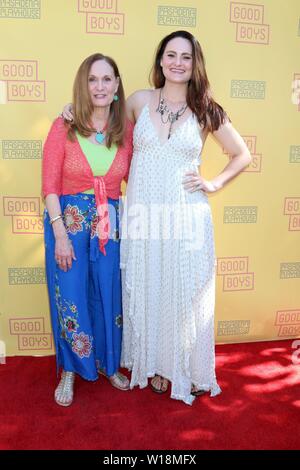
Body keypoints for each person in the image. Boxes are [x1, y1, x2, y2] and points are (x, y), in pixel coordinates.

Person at [62, 31, 251, 405]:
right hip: (143, 214)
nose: (177, 62)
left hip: (185, 216)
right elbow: (103, 121)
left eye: (185, 56)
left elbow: (242, 154)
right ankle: (157, 365)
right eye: (171, 55)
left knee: (185, 292)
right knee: (150, 284)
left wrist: (213, 184)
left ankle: (188, 369)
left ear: (195, 64)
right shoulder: (138, 102)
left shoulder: (207, 110)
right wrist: (70, 112)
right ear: (160, 60)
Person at [43, 53, 133, 407]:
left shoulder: (125, 133)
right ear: (84, 85)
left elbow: (137, 179)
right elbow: (50, 186)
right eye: (93, 79)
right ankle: (69, 368)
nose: (100, 86)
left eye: (107, 79)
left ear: (115, 87)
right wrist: (60, 234)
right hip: (67, 224)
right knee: (71, 295)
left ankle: (109, 364)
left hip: (109, 227)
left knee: (108, 294)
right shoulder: (62, 127)